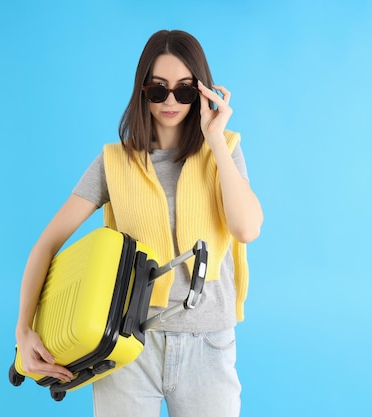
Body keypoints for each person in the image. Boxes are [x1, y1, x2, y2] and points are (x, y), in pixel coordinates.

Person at [15, 29, 263, 417]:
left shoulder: (225, 150)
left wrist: (214, 140)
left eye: (184, 90)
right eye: (158, 89)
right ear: (142, 90)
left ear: (201, 92)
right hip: (129, 347)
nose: (170, 101)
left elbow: (247, 229)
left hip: (208, 345)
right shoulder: (114, 162)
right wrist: (23, 330)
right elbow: (45, 245)